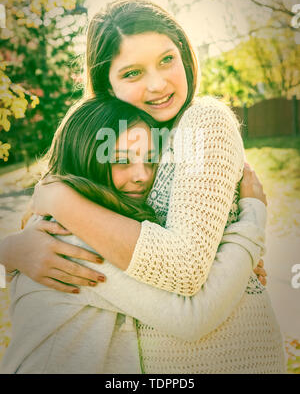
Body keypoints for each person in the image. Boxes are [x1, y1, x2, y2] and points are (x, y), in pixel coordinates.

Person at [0, 0, 285, 373]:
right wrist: (14, 249)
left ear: (184, 54)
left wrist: (58, 199)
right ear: (106, 86)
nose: (158, 84)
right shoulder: (130, 145)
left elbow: (184, 268)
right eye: (133, 73)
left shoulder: (202, 121)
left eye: (167, 59)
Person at [1, 96, 269, 374]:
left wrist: (225, 259)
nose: (142, 175)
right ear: (83, 160)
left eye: (150, 159)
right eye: (121, 161)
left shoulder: (87, 226)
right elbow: (193, 316)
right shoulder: (71, 238)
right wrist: (251, 221)